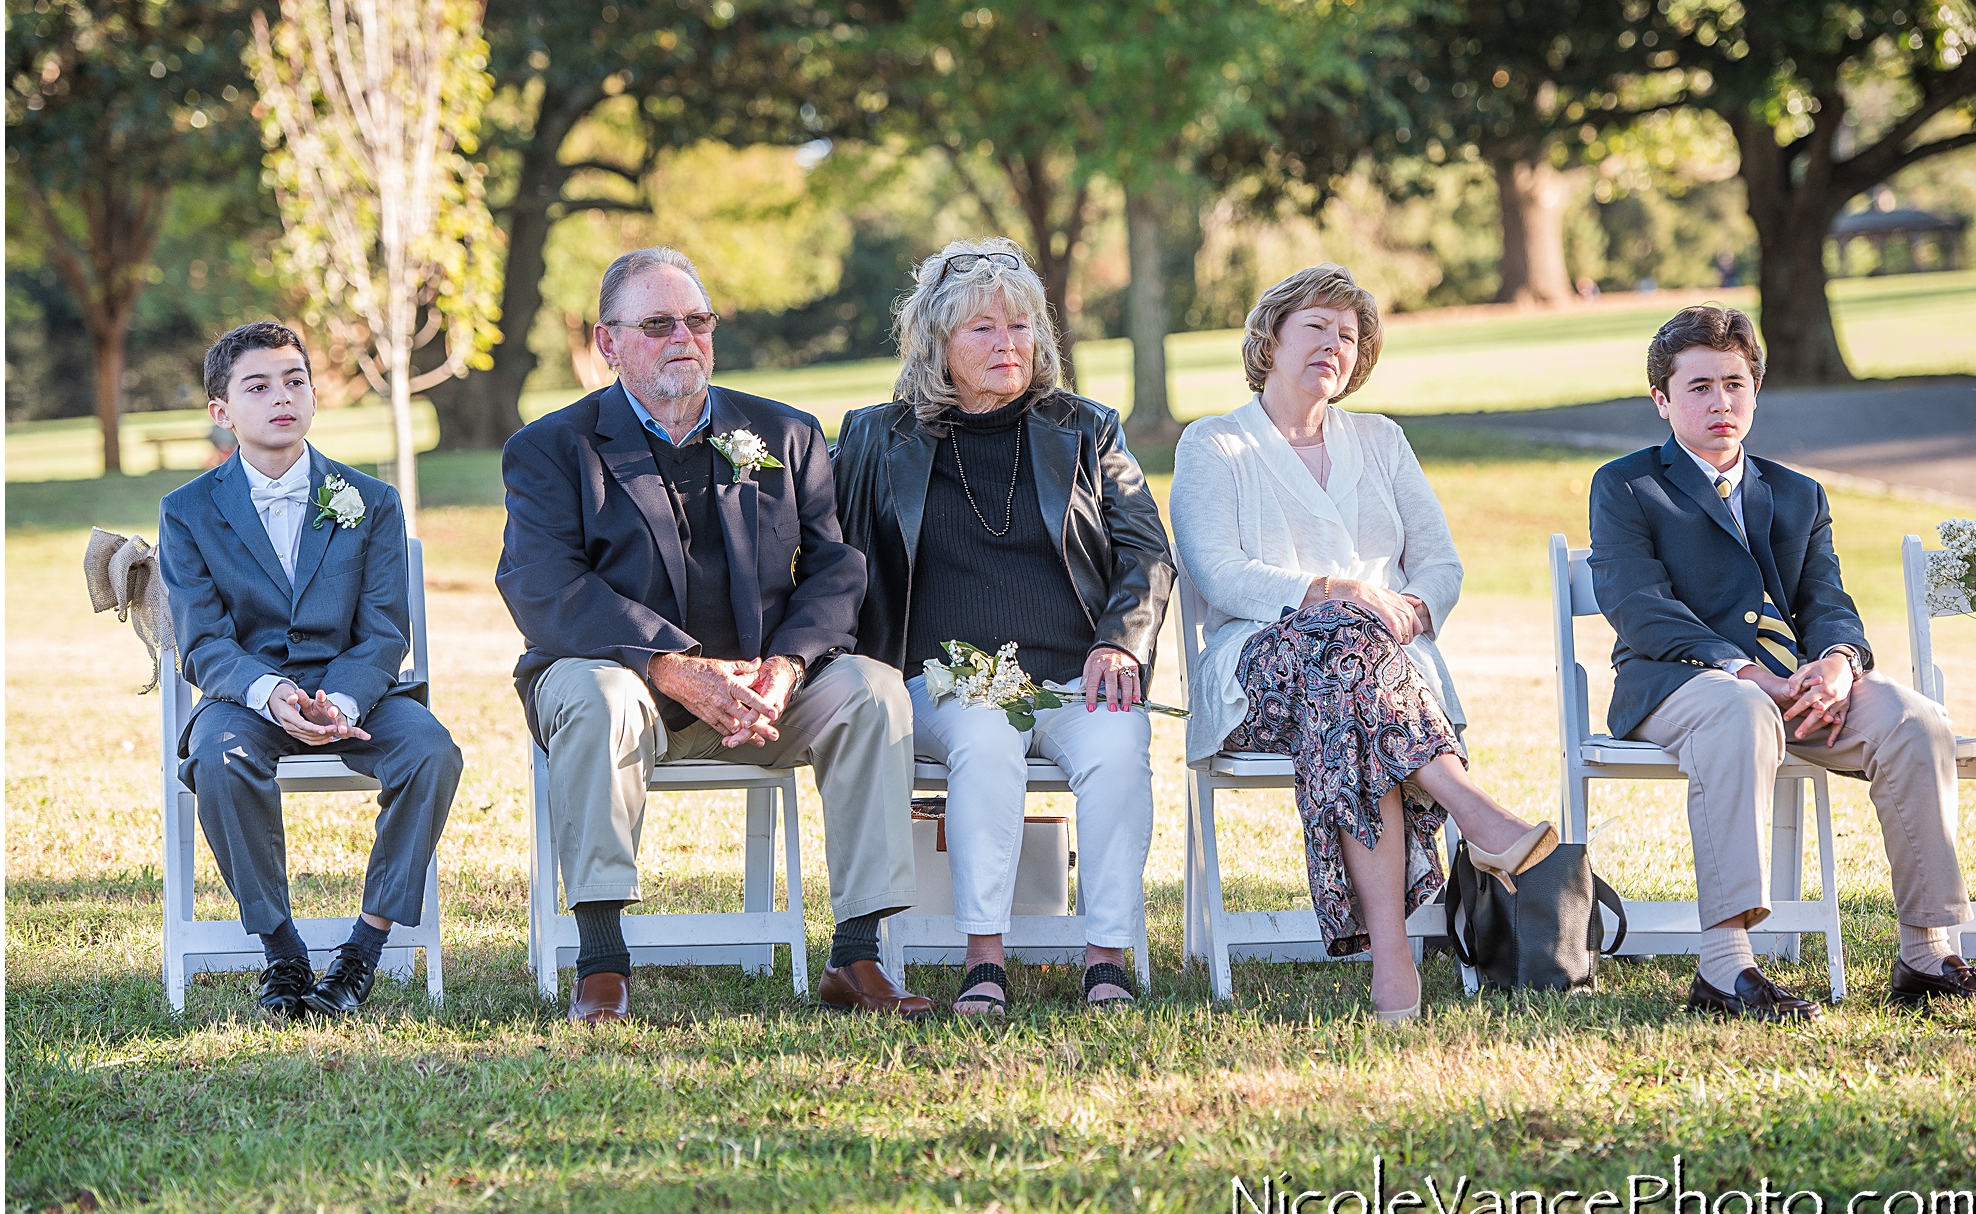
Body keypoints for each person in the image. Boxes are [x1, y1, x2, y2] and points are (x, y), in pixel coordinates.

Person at [497, 247, 932, 1023]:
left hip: (763, 694)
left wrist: (788, 666)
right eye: (658, 324)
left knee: (873, 690)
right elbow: (542, 585)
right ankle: (602, 963)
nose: (683, 339)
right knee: (600, 696)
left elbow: (835, 567)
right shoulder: (550, 449)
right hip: (616, 679)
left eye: (697, 321)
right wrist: (668, 664)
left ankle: (857, 954)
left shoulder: (784, 433)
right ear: (607, 342)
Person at [1589, 305, 1976, 1019]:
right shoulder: (1628, 485)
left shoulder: (1798, 492)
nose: (1720, 401)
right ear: (1661, 400)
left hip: (1798, 688)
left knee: (1916, 720)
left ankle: (1926, 952)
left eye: (1735, 382)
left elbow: (1827, 599)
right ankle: (1724, 967)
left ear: (1755, 391)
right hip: (1681, 685)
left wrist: (1840, 663)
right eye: (1699, 386)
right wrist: (1743, 669)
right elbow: (1638, 605)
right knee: (1740, 709)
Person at [1171, 264, 1559, 1025]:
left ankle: (1394, 963)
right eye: (1315, 326)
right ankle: (1476, 814)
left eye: (1347, 335)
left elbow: (1440, 565)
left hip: (1379, 679)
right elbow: (1218, 573)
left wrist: (1407, 611)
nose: (1333, 344)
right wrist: (1338, 592)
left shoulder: (1382, 440)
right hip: (1257, 673)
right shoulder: (1214, 444)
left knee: (1352, 695)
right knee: (1344, 647)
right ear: (1269, 339)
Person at [834, 238, 1174, 1015]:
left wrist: (1121, 638)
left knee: (1119, 745)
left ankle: (1106, 956)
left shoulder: (1089, 429)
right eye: (982, 329)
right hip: (939, 681)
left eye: (1020, 327)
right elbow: (826, 551)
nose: (1007, 344)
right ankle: (983, 957)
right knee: (986, 739)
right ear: (937, 344)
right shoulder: (875, 437)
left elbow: (1146, 549)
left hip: (1073, 674)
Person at [159, 321, 463, 1022]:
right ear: (221, 411)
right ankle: (282, 950)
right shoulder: (187, 513)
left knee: (432, 751)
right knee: (217, 755)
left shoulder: (371, 500)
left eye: (295, 380)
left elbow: (386, 628)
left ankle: (363, 947)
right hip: (249, 696)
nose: (281, 397)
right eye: (257, 386)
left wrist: (346, 701)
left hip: (361, 691)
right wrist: (271, 693)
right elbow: (203, 641)